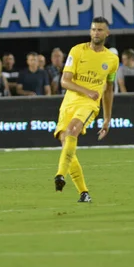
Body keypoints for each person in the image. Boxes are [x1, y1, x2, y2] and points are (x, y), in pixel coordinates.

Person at [53, 17, 119, 203]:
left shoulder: (112, 60)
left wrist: (107, 119)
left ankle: (60, 175)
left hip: (89, 105)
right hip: (69, 103)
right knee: (66, 142)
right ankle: (84, 193)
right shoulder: (77, 50)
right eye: (93, 29)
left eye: (100, 30)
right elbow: (64, 81)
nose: (96, 33)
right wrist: (86, 90)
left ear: (107, 33)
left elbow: (109, 90)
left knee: (73, 130)